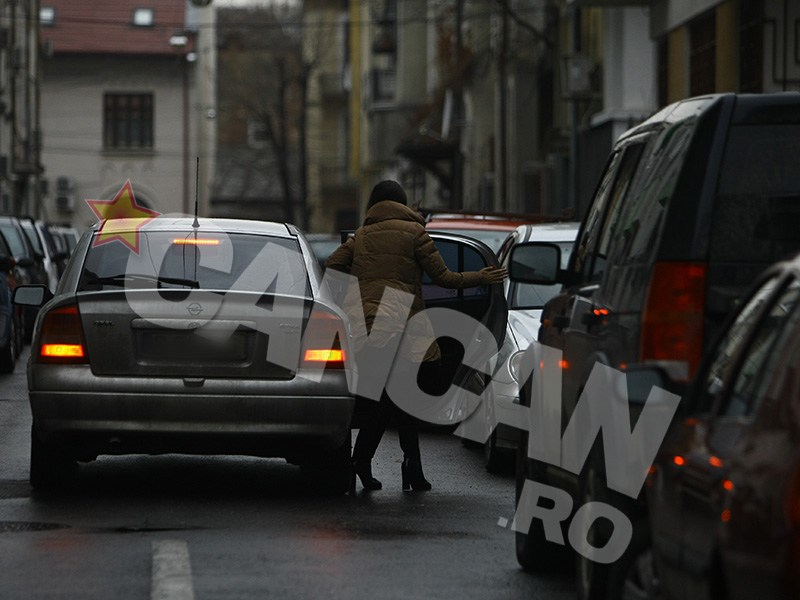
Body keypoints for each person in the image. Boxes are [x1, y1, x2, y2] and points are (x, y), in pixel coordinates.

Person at [325, 180, 507, 492]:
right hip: (401, 323)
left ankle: (393, 466)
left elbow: (332, 264)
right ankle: (382, 464)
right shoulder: (414, 233)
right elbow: (444, 277)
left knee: (389, 398)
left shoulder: (363, 235)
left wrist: (354, 298)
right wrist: (481, 277)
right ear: (402, 203)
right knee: (399, 398)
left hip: (368, 325)